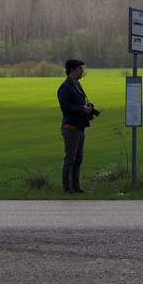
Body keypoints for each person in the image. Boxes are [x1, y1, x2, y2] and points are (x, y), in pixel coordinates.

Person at [57, 58, 96, 194]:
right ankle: (67, 188)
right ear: (72, 70)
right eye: (80, 68)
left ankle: (76, 187)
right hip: (70, 127)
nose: (82, 71)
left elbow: (79, 104)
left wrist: (88, 112)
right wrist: (82, 109)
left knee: (78, 159)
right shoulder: (65, 87)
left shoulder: (77, 85)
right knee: (70, 159)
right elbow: (65, 107)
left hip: (80, 126)